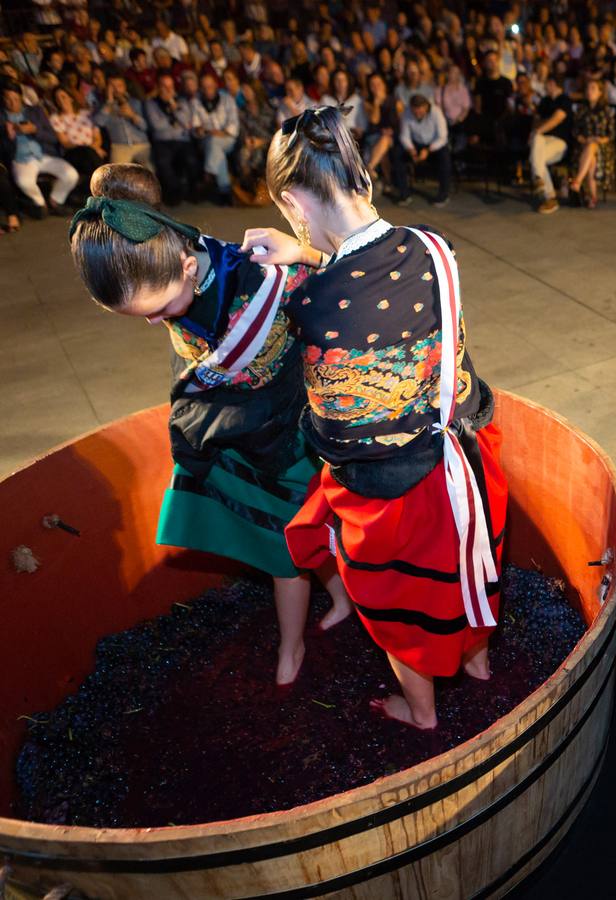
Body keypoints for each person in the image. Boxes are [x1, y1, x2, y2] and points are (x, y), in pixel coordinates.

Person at [242, 106, 506, 731]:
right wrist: (304, 250)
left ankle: (419, 711)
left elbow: (333, 426)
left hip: (397, 492)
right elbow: (361, 263)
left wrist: (296, 263)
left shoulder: (307, 302)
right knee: (472, 570)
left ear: (290, 200)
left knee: (399, 605)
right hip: (468, 452)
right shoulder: (434, 247)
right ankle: (479, 663)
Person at [68, 163, 352, 686]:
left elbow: (356, 283)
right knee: (292, 533)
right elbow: (196, 352)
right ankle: (338, 595)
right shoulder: (164, 255)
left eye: (162, 308)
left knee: (285, 545)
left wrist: (310, 253)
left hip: (284, 431)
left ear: (187, 265)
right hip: (229, 421)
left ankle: (291, 647)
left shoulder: (265, 279)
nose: (158, 322)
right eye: (144, 317)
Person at [2, 82, 78, 217]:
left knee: (71, 175)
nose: (12, 103)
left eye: (15, 99)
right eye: (8, 99)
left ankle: (55, 200)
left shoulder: (35, 111)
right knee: (24, 182)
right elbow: (4, 151)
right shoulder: (2, 118)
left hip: (44, 154)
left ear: (21, 97)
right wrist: (9, 138)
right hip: (21, 159)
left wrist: (35, 130)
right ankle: (40, 203)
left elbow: (53, 137)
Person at [144, 74, 199, 206]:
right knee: (163, 163)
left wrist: (174, 108)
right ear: (158, 87)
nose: (168, 90)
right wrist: (174, 123)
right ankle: (175, 192)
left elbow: (186, 123)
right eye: (164, 86)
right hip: (163, 141)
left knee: (192, 160)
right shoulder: (151, 103)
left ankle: (192, 192)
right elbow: (156, 125)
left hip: (182, 140)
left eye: (170, 86)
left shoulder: (182, 102)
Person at [392, 93, 452, 207]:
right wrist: (411, 149)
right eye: (415, 111)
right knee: (398, 154)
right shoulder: (407, 113)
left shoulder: (436, 113)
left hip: (434, 145)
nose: (417, 113)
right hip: (416, 144)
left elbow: (443, 137)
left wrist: (428, 150)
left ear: (426, 107)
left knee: (445, 157)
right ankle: (404, 194)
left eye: (420, 110)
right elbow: (404, 135)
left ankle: (443, 195)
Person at [191, 73, 239, 205]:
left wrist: (221, 133)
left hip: (227, 139)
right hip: (206, 140)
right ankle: (224, 190)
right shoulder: (196, 102)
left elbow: (234, 124)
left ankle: (208, 175)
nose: (208, 90)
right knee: (217, 150)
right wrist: (200, 130)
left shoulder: (227, 99)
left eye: (210, 87)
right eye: (205, 87)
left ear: (216, 86)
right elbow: (195, 126)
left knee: (215, 143)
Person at [568, 78, 614, 209]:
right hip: (583, 146)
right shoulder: (582, 109)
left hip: (603, 147)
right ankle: (592, 196)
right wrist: (583, 139)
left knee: (593, 149)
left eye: (593, 88)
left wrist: (600, 140)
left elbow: (611, 134)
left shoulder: (605, 110)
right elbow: (575, 131)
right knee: (591, 153)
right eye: (588, 88)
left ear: (600, 92)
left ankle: (577, 183)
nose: (590, 91)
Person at [530, 73, 572, 214]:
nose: (545, 86)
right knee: (537, 145)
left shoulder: (565, 100)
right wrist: (537, 131)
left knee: (535, 154)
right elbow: (535, 120)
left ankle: (540, 182)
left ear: (553, 83)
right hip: (542, 142)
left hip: (560, 142)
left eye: (547, 83)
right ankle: (549, 196)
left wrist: (537, 130)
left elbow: (557, 119)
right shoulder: (545, 101)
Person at [96, 75, 152, 169]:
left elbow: (145, 127)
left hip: (141, 144)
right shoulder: (105, 107)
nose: (116, 89)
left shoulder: (135, 103)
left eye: (119, 86)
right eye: (112, 86)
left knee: (151, 172)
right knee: (116, 175)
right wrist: (109, 102)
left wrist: (132, 116)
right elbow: (98, 122)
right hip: (119, 146)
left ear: (125, 87)